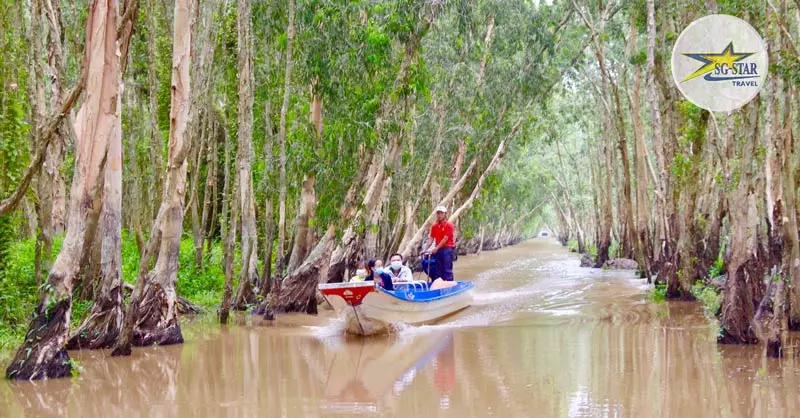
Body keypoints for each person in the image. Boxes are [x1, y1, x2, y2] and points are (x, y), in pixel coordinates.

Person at [425, 205, 455, 281]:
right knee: (438, 270)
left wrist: (436, 248)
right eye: (438, 213)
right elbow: (431, 238)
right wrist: (425, 249)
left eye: (441, 213)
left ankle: (449, 284)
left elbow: (445, 238)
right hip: (438, 250)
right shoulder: (434, 226)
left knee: (447, 269)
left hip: (447, 249)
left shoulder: (449, 225)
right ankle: (439, 284)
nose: (440, 215)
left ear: (445, 214)